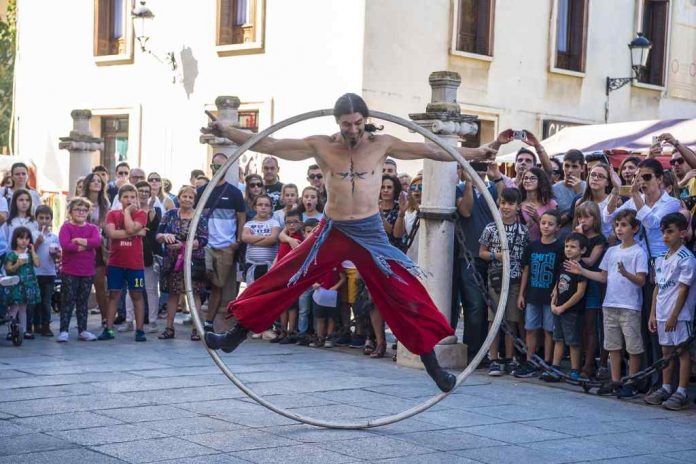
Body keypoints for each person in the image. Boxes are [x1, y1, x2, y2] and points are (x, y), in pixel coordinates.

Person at [202, 92, 496, 391]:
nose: (352, 130)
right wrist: (226, 130)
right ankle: (234, 336)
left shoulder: (383, 144)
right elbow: (268, 143)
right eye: (346, 124)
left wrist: (477, 153)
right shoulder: (321, 146)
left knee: (404, 292)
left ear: (365, 120)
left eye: (357, 123)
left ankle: (434, 369)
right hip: (332, 231)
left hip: (369, 234)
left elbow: (433, 150)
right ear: (337, 122)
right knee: (286, 275)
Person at [565, 209, 648, 398]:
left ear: (635, 228)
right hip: (610, 303)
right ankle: (616, 380)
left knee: (633, 346)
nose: (619, 229)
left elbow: (641, 280)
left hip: (630, 306)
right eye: (617, 225)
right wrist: (582, 271)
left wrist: (626, 274)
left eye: (624, 225)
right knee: (612, 345)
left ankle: (632, 381)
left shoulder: (638, 252)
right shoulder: (611, 251)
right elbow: (603, 277)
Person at [454, 160, 505, 361]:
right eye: (475, 169)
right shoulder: (459, 189)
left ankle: (491, 351)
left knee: (492, 306)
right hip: (470, 256)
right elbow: (465, 211)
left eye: (481, 169)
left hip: (493, 256)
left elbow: (505, 204)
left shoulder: (492, 188)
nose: (479, 172)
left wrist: (497, 177)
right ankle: (474, 352)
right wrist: (468, 183)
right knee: (474, 305)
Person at [645, 213, 696, 410]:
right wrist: (652, 313)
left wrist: (675, 315)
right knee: (666, 351)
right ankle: (666, 387)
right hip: (662, 312)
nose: (665, 236)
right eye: (663, 232)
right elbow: (658, 287)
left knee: (682, 352)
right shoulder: (661, 258)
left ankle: (681, 391)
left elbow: (683, 288)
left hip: (680, 315)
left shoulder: (686, 258)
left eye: (670, 232)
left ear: (682, 233)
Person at [478, 188, 529, 376]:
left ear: (518, 207)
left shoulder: (523, 231)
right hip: (496, 279)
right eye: (503, 203)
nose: (506, 207)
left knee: (512, 319)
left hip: (515, 280)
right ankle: (494, 358)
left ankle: (509, 357)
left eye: (510, 204)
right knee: (494, 319)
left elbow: (525, 262)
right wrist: (495, 255)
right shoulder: (491, 228)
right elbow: (481, 252)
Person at [197, 152, 246, 332]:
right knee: (201, 282)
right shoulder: (202, 192)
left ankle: (209, 322)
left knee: (218, 285)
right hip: (205, 245)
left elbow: (241, 218)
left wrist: (237, 241)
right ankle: (197, 321)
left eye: (223, 166)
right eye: (216, 166)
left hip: (226, 246)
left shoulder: (235, 193)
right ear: (211, 167)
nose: (219, 169)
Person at [514, 209, 564, 378]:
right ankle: (530, 360)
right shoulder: (532, 246)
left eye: (550, 224)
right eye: (543, 223)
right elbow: (526, 271)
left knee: (549, 329)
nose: (546, 226)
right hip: (533, 294)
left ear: (557, 227)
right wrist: (521, 294)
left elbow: (560, 273)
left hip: (550, 296)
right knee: (531, 328)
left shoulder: (560, 247)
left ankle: (547, 362)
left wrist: (556, 292)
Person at [157, 186, 208, 340]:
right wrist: (165, 236)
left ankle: (196, 329)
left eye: (190, 197)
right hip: (173, 261)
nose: (187, 199)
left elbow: (204, 239)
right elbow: (158, 233)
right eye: (184, 196)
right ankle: (169, 328)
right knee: (173, 293)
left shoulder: (200, 217)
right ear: (178, 198)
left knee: (194, 294)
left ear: (194, 200)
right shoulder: (170, 214)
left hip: (193, 260)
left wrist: (183, 245)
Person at [98, 185, 148, 342]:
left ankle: (139, 330)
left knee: (137, 295)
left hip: (135, 264)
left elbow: (131, 226)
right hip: (116, 263)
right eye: (126, 197)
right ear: (120, 199)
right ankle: (109, 329)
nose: (130, 200)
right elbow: (111, 233)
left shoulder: (141, 213)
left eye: (133, 197)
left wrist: (127, 215)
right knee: (113, 295)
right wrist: (134, 232)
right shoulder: (112, 214)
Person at [540, 232, 588, 382]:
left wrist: (564, 307)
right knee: (558, 338)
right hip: (558, 309)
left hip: (572, 311)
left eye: (573, 247)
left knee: (573, 341)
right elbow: (558, 284)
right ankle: (555, 367)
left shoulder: (581, 268)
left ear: (583, 250)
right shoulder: (563, 265)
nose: (568, 249)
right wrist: (554, 301)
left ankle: (575, 370)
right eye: (567, 246)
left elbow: (580, 293)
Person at [119, 181, 162, 334]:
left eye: (146, 191)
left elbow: (152, 230)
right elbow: (126, 230)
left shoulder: (155, 210)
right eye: (141, 191)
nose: (144, 193)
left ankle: (153, 321)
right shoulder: (129, 211)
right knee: (132, 290)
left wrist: (149, 211)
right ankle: (129, 321)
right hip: (131, 255)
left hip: (149, 256)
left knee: (151, 290)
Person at [56, 198, 101, 342]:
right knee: (68, 300)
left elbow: (97, 242)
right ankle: (63, 330)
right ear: (70, 212)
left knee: (83, 301)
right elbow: (66, 245)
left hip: (87, 271)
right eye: (77, 209)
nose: (81, 212)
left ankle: (83, 330)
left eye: (84, 210)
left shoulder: (92, 228)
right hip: (70, 271)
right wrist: (86, 246)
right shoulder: (66, 227)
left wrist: (80, 241)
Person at [573, 201, 608, 378]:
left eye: (587, 216)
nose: (583, 220)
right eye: (580, 216)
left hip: (593, 283)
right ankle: (577, 363)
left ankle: (590, 364)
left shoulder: (599, 239)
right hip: (576, 283)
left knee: (591, 326)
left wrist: (581, 240)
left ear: (595, 218)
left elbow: (590, 261)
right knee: (579, 326)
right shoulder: (575, 236)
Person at [81, 172, 110, 327]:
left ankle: (105, 319)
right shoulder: (80, 203)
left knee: (100, 284)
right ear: (88, 184)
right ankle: (81, 320)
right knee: (83, 286)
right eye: (93, 181)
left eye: (99, 181)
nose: (97, 183)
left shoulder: (105, 204)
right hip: (83, 246)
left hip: (99, 247)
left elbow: (107, 226)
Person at [271, 208, 303, 344]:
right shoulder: (286, 237)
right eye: (288, 222)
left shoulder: (299, 239)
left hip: (293, 275)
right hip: (281, 274)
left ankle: (291, 332)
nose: (291, 225)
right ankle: (282, 330)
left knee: (292, 305)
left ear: (301, 223)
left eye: (295, 222)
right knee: (282, 304)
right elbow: (279, 254)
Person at [4, 227, 40, 340]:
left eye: (27, 238)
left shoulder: (29, 253)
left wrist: (33, 250)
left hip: (28, 284)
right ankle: (11, 331)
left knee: (23, 308)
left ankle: (23, 331)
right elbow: (8, 269)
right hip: (16, 285)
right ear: (16, 239)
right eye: (21, 238)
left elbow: (37, 264)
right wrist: (17, 264)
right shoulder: (12, 254)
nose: (24, 241)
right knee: (14, 308)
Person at [32, 205, 60, 337]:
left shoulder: (54, 237)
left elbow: (56, 256)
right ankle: (35, 324)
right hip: (35, 272)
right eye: (41, 218)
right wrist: (37, 242)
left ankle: (46, 325)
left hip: (49, 272)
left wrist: (56, 253)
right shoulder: (32, 234)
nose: (44, 221)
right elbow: (29, 252)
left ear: (51, 220)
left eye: (47, 218)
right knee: (35, 300)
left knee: (46, 300)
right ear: (36, 219)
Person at [242, 194, 281, 285]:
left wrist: (252, 240)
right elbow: (244, 238)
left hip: (269, 266)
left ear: (271, 208)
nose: (263, 207)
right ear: (255, 207)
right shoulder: (249, 224)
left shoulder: (274, 223)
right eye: (260, 205)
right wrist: (264, 237)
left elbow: (272, 240)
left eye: (266, 205)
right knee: (252, 293)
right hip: (252, 266)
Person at [308, 263, 347, 349]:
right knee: (320, 317)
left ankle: (329, 338)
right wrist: (314, 284)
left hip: (332, 294)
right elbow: (311, 277)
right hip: (320, 293)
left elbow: (343, 278)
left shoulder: (337, 263)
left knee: (331, 317)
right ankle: (320, 337)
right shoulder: (318, 263)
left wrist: (335, 287)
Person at [520, 167, 557, 241]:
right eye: (525, 178)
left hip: (543, 247)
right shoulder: (518, 204)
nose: (528, 181)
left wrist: (537, 218)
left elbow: (555, 231)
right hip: (523, 245)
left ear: (540, 181)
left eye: (532, 178)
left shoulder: (550, 204)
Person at [553, 149, 586, 230]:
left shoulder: (589, 187)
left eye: (574, 166)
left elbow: (590, 216)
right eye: (567, 166)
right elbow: (551, 220)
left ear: (582, 168)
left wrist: (580, 192)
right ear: (562, 166)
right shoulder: (554, 189)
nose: (570, 170)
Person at [393, 175, 422, 262]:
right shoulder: (409, 212)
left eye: (421, 187)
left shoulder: (434, 211)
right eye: (413, 187)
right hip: (412, 259)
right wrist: (401, 214)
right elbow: (397, 234)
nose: (416, 189)